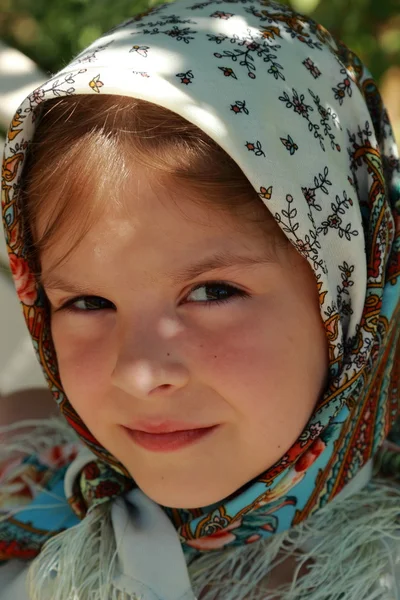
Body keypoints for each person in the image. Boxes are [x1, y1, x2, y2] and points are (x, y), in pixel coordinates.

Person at [0, 0, 399, 597]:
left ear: (348, 295)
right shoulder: (20, 454)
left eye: (212, 293)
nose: (139, 376)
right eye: (87, 302)